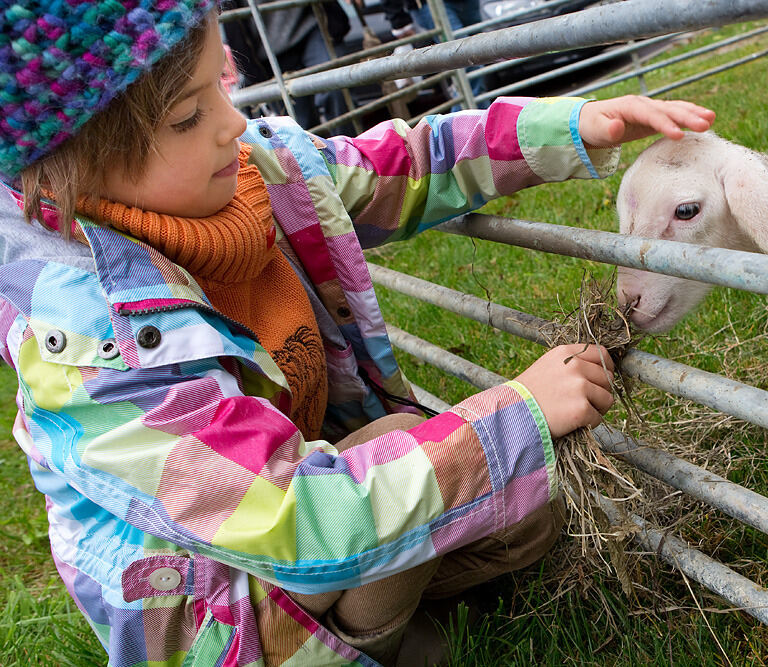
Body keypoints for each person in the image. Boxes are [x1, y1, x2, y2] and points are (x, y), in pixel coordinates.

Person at [0, 2, 715, 665]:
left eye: (221, 82)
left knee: (529, 518)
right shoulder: (95, 350)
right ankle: (372, 644)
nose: (233, 123)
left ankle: (389, 593)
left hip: (301, 506)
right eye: (190, 115)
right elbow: (300, 517)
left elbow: (394, 165)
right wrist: (518, 414)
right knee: (408, 457)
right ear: (80, 160)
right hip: (214, 610)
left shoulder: (254, 177)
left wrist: (563, 130)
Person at [222, 0, 353, 132]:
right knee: (299, 124)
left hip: (311, 25)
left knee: (335, 87)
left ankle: (347, 149)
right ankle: (318, 150)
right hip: (269, 53)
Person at [382, 0, 489, 109]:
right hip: (432, 5)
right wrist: (398, 20)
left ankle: (479, 119)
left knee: (477, 61)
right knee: (469, 61)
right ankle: (458, 122)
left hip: (466, 4)